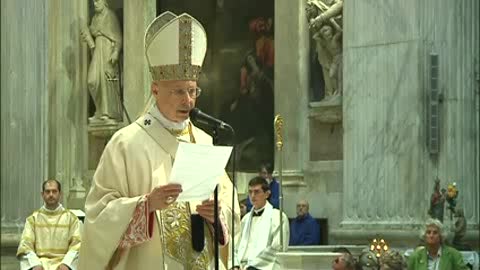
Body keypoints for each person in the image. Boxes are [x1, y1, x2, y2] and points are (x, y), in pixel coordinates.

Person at [78, 12, 240, 270]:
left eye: (192, 90)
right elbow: (98, 216)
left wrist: (218, 215)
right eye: (178, 91)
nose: (188, 100)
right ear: (155, 90)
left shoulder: (205, 141)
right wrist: (145, 206)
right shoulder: (126, 144)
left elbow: (231, 208)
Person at [17, 180, 82, 270]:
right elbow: (25, 246)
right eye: (47, 191)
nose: (51, 194)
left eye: (54, 191)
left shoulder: (71, 219)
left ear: (60, 194)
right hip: (39, 263)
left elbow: (77, 246)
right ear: (42, 194)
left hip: (63, 262)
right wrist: (35, 264)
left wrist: (67, 264)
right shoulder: (33, 219)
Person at [232, 177, 289, 270]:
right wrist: (235, 265)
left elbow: (277, 249)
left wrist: (251, 267)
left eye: (257, 192)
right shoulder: (245, 219)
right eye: (250, 192)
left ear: (267, 194)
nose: (252, 196)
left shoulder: (278, 217)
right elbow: (235, 246)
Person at [81, 0, 122, 123]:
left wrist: (115, 52)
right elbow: (91, 32)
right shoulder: (94, 18)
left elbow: (118, 37)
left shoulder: (110, 15)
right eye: (93, 1)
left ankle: (108, 112)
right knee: (92, 81)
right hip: (98, 50)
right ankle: (99, 110)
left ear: (104, 2)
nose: (95, 4)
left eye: (98, 1)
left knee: (106, 82)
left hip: (107, 50)